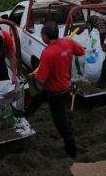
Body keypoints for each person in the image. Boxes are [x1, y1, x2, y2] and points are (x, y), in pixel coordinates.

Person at [20, 21, 85, 158]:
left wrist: (35, 74)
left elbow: (42, 80)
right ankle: (24, 115)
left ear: (45, 36)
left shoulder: (48, 53)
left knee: (61, 122)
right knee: (37, 99)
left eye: (42, 34)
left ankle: (71, 151)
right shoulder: (68, 43)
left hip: (56, 93)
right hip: (65, 87)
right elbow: (81, 51)